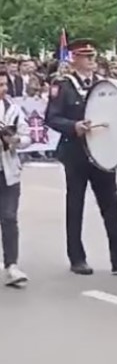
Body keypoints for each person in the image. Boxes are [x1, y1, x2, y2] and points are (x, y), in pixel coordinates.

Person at [44, 38, 117, 276]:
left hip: (103, 153)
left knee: (111, 205)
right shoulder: (63, 85)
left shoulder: (103, 85)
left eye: (93, 56)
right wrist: (73, 125)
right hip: (76, 153)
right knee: (75, 205)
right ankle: (77, 257)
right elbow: (52, 117)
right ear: (74, 59)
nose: (91, 61)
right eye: (86, 57)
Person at [0, 70, 31, 287]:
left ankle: (12, 265)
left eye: (4, 85)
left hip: (8, 171)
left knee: (9, 217)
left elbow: (28, 137)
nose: (3, 89)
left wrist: (16, 139)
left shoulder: (14, 110)